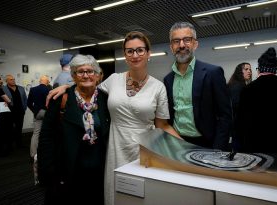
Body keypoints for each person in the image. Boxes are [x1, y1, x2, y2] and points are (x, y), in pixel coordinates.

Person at [47, 31, 180, 205]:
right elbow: (88, 87)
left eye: (140, 50)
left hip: (143, 148)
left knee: (140, 195)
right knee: (115, 195)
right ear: (125, 55)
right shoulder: (113, 80)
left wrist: (187, 148)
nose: (135, 55)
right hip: (115, 148)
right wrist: (66, 86)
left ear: (148, 53)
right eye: (129, 51)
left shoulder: (158, 87)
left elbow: (162, 125)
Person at [38, 54, 110, 204]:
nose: (86, 75)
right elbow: (46, 137)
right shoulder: (61, 99)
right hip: (67, 171)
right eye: (80, 71)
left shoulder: (106, 99)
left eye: (90, 71)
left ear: (97, 75)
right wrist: (48, 171)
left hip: (98, 172)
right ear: (73, 76)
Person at [163, 21, 232, 151]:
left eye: (187, 40)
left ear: (195, 44)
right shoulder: (168, 80)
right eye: (176, 41)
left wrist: (217, 150)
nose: (181, 45)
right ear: (171, 47)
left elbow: (225, 116)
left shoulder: (213, 73)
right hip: (176, 143)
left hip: (207, 144)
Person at [27, 75, 51, 184]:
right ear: (47, 81)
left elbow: (28, 103)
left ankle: (33, 154)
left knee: (36, 133)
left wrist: (35, 111)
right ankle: (47, 152)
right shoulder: (49, 89)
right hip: (48, 113)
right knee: (49, 133)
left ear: (40, 81)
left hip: (37, 113)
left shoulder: (33, 89)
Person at [227, 63, 252, 150]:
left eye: (250, 69)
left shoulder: (239, 84)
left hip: (237, 125)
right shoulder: (237, 86)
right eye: (246, 69)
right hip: (237, 126)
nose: (249, 71)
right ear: (239, 72)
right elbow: (236, 106)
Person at [3, 74, 27, 148]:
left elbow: (25, 99)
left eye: (13, 79)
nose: (13, 80)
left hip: (20, 111)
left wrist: (24, 108)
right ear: (6, 81)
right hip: (9, 112)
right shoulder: (3, 89)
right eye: (11, 79)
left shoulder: (21, 88)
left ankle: (19, 144)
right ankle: (9, 145)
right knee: (9, 129)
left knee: (19, 128)